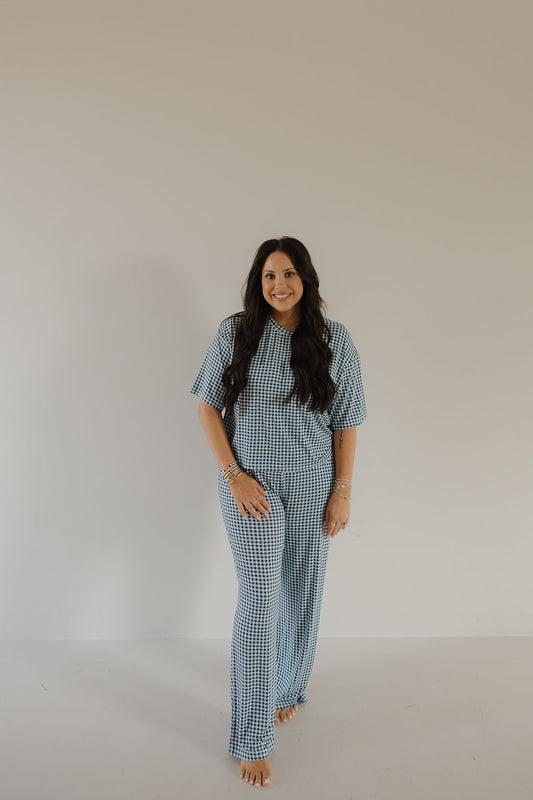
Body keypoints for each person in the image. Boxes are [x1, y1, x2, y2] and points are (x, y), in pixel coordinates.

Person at [189, 236, 367, 788]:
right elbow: (206, 407)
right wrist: (234, 476)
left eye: (288, 274)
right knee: (260, 599)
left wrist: (342, 490)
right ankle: (251, 736)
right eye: (269, 276)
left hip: (314, 489)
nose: (279, 285)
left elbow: (347, 421)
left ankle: (286, 687)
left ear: (306, 280)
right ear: (257, 282)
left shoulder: (334, 341)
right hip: (253, 493)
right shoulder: (235, 333)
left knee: (302, 588)